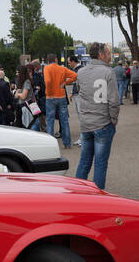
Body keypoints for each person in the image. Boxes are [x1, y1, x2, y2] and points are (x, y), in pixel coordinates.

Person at [75, 42, 121, 189]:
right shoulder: (108, 72)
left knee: (84, 161)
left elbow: (80, 92)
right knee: (100, 164)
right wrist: (113, 121)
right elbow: (114, 100)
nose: (109, 56)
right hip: (102, 123)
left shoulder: (81, 72)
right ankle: (98, 196)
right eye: (107, 53)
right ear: (101, 55)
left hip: (86, 123)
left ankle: (78, 192)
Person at [43, 53, 77, 148]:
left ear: (48, 61)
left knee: (50, 121)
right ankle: (67, 143)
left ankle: (51, 145)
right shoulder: (62, 68)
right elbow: (75, 75)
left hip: (50, 97)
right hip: (61, 96)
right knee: (64, 120)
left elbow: (48, 81)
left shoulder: (46, 68)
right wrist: (65, 83)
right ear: (56, 59)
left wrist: (49, 93)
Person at [29, 62, 46, 131]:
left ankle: (42, 129)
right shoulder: (36, 76)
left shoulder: (35, 75)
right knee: (39, 116)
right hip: (36, 100)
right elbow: (39, 87)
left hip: (36, 99)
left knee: (39, 116)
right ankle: (42, 129)